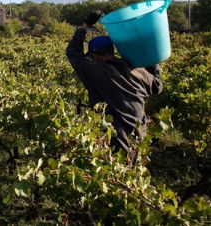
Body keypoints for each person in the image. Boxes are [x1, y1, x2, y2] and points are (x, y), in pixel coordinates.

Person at [66, 11, 163, 153]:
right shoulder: (137, 69)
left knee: (113, 170)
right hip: (139, 135)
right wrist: (152, 60)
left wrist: (85, 26)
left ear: (94, 55)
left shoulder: (94, 70)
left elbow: (73, 53)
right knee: (134, 168)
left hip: (112, 139)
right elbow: (157, 87)